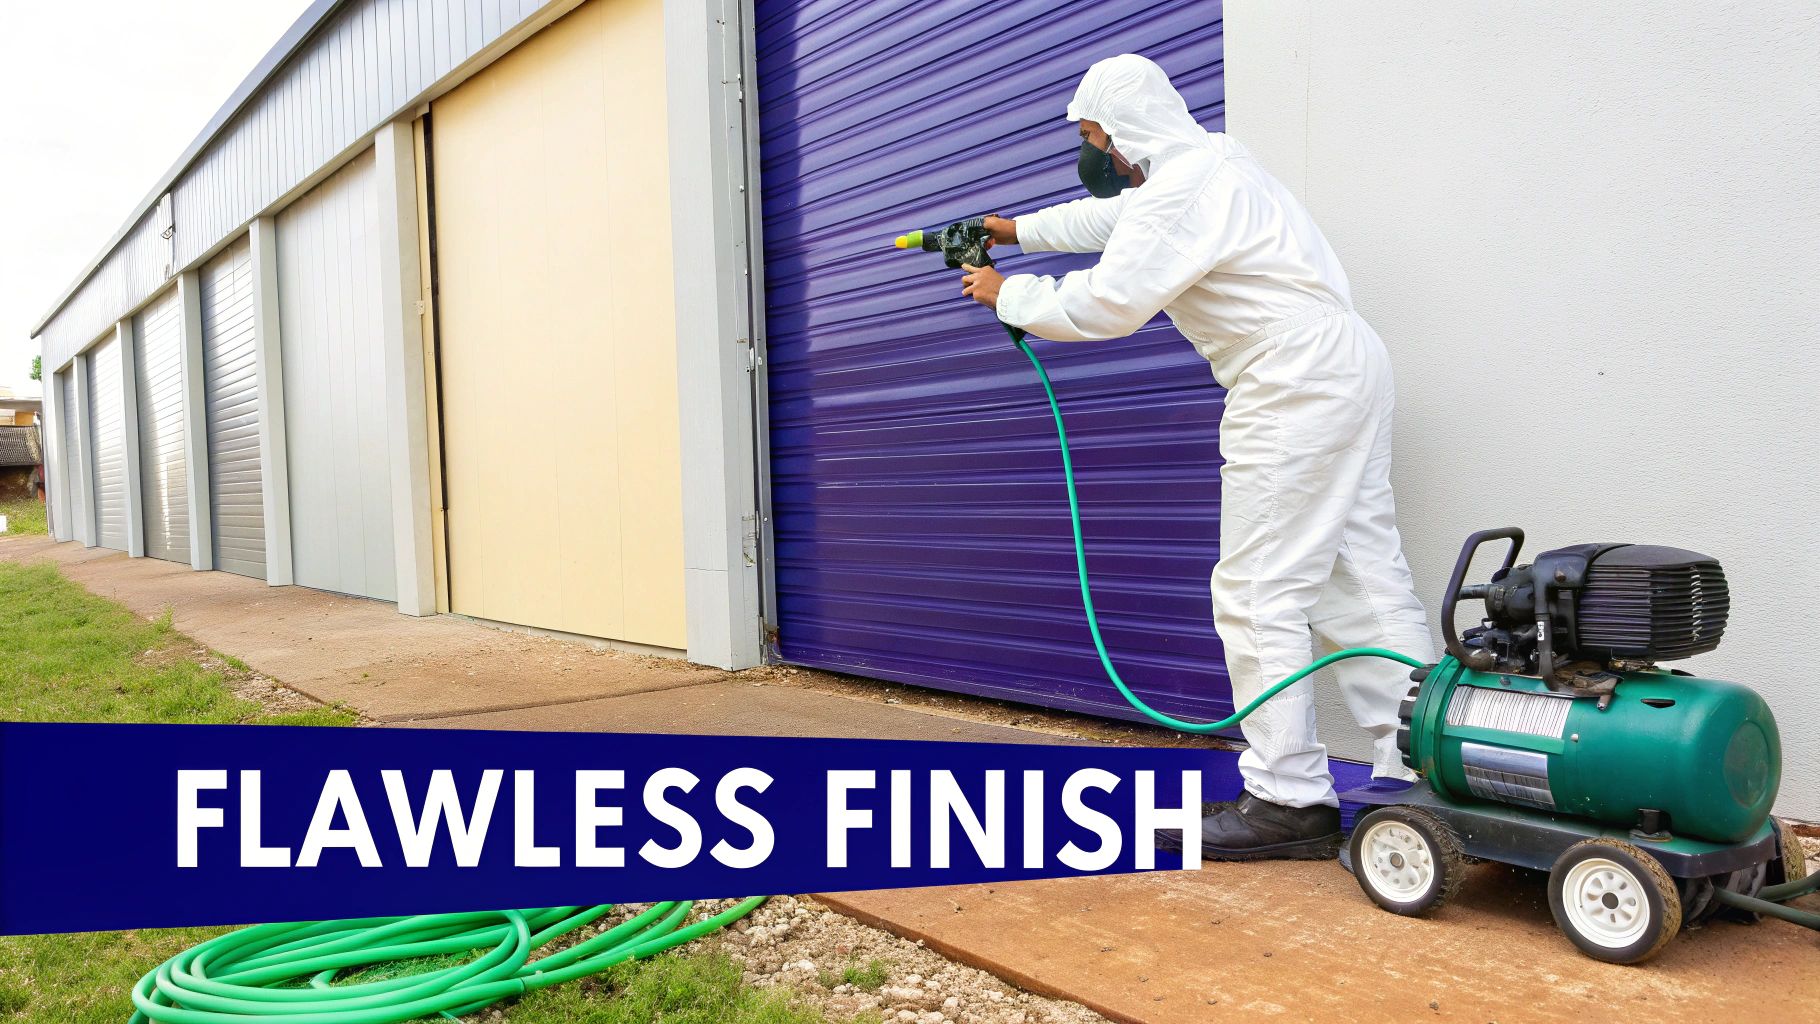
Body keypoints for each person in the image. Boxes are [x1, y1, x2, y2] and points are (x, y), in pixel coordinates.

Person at [960, 54, 1435, 860]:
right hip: (1345, 363)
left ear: (1122, 131)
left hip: (1289, 378)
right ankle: (1422, 766)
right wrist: (1019, 230)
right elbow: (1109, 222)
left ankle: (1286, 799)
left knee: (1257, 587)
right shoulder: (1214, 162)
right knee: (1360, 574)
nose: (1092, 153)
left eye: (1091, 136)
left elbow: (1110, 301)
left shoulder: (1180, 189)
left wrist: (1012, 293)